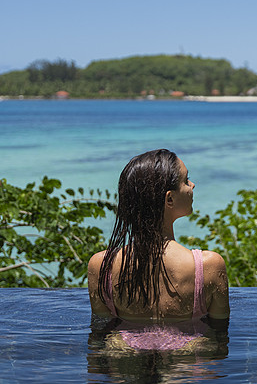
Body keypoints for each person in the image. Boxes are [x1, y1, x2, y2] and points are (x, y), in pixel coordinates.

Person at [87, 149, 229, 351]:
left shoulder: (101, 266)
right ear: (169, 199)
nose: (192, 185)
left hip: (125, 355)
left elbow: (99, 336)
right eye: (186, 180)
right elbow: (220, 338)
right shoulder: (209, 266)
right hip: (187, 362)